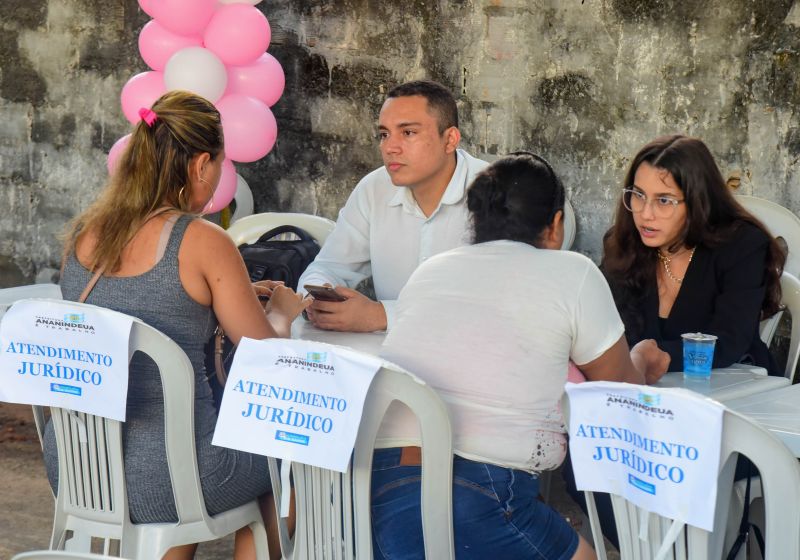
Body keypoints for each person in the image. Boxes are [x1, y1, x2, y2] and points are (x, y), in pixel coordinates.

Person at [42, 91, 309, 560]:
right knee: (283, 463)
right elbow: (266, 358)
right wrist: (282, 311)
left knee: (186, 431)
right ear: (202, 164)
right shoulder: (202, 240)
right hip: (171, 479)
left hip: (77, 467)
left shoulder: (86, 232)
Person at [371, 153, 670, 560]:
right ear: (556, 225)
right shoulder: (573, 273)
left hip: (376, 487)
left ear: (475, 221)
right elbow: (619, 391)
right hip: (482, 492)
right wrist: (643, 359)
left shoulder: (430, 270)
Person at [298, 80, 489, 332]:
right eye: (384, 134)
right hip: (387, 358)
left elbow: (499, 306)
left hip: (474, 359)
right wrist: (316, 301)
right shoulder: (374, 188)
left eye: (408, 132)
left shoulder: (497, 195)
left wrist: (382, 315)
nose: (390, 147)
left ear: (450, 139)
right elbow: (329, 267)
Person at [601, 135, 785, 375]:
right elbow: (601, 323)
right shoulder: (624, 243)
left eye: (664, 200)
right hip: (647, 393)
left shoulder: (743, 246)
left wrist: (658, 357)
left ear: (698, 202)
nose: (645, 214)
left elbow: (729, 341)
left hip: (732, 386)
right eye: (638, 195)